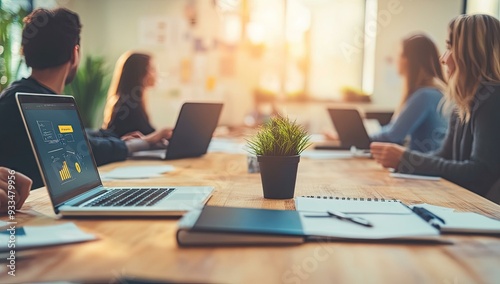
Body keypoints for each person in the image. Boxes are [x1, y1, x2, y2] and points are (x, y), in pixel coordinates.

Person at [0, 8, 170, 190]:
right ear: (75, 54)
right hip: (33, 212)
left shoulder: (19, 96)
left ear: (24, 52)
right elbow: (85, 150)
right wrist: (142, 143)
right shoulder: (37, 103)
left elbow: (79, 136)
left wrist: (118, 139)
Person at [371, 14, 500, 197]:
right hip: (460, 200)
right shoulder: (464, 101)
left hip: (481, 213)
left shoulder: (493, 99)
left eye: (450, 48)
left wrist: (406, 158)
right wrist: (405, 160)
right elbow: (444, 155)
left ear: (470, 54)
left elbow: (479, 173)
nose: (443, 58)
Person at [370, 34, 448, 153]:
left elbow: (394, 135)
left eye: (400, 55)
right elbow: (393, 130)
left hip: (422, 168)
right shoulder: (435, 91)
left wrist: (354, 137)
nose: (397, 60)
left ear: (409, 60)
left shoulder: (425, 95)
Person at [102, 52, 160, 137]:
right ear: (140, 74)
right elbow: (146, 134)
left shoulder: (131, 102)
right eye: (152, 69)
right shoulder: (129, 105)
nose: (156, 74)